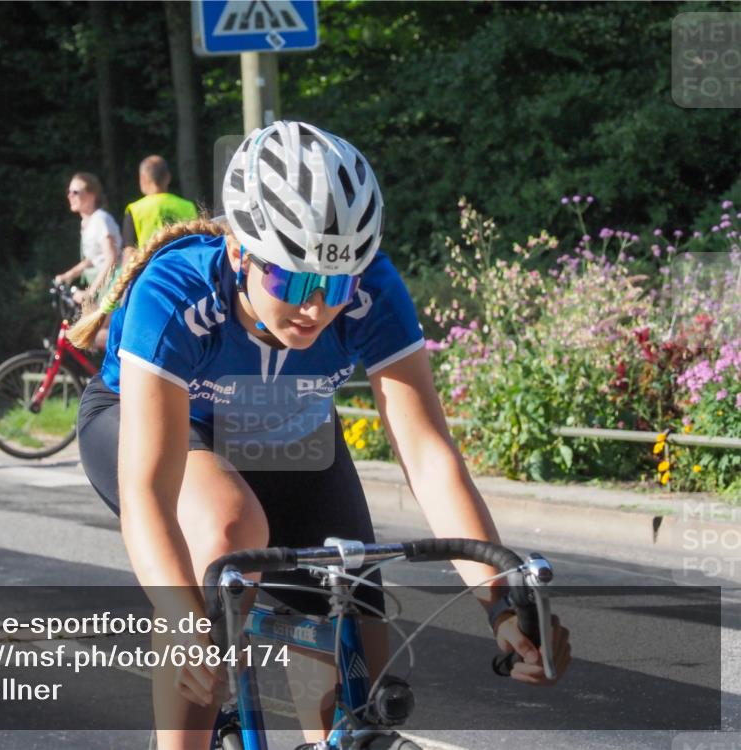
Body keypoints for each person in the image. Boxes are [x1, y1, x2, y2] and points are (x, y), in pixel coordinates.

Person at [70, 122, 571, 750]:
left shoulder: (373, 290)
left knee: (359, 654)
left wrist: (502, 605)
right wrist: (181, 620)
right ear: (240, 254)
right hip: (157, 421)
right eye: (296, 282)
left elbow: (427, 453)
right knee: (227, 526)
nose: (318, 307)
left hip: (290, 427)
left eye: (337, 284)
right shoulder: (176, 292)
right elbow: (149, 490)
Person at [54, 172, 121, 351]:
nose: (70, 195)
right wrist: (67, 275)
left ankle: (134, 353)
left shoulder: (100, 219)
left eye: (75, 192)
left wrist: (91, 292)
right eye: (69, 192)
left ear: (92, 195)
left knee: (92, 334)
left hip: (115, 285)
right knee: (90, 334)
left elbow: (111, 258)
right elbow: (92, 259)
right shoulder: (87, 223)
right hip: (105, 286)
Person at [122, 155, 198, 259]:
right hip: (182, 268)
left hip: (150, 270)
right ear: (168, 177)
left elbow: (130, 251)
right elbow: (197, 242)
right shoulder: (187, 206)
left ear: (143, 179)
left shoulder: (135, 209)